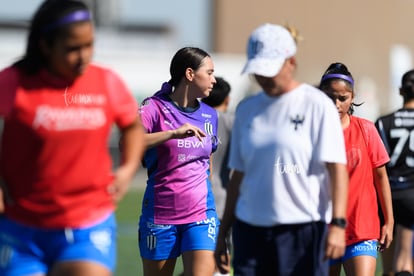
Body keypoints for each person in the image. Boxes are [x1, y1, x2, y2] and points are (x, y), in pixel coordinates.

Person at [0, 0, 145, 276]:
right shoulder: (13, 82)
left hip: (88, 225)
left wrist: (127, 170)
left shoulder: (106, 82)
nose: (84, 57)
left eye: (89, 45)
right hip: (21, 229)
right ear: (45, 45)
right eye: (72, 49)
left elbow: (133, 127)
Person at [214, 23, 349, 276]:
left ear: (291, 63)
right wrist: (223, 234)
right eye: (258, 71)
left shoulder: (317, 105)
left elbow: (336, 169)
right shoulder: (246, 109)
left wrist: (339, 225)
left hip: (302, 231)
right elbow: (238, 176)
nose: (263, 78)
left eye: (270, 70)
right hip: (249, 231)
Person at [138, 46, 219, 276]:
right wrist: (172, 134)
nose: (214, 80)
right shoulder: (152, 107)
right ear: (190, 74)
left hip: (202, 214)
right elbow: (129, 143)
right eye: (210, 73)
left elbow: (208, 162)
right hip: (161, 214)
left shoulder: (210, 115)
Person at [319, 62, 394, 275]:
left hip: (361, 229)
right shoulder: (312, 132)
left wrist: (389, 221)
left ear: (352, 97)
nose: (336, 104)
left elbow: (381, 177)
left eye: (342, 98)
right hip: (324, 229)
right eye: (330, 97)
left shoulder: (366, 130)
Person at [375, 69, 414, 276]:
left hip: (387, 197)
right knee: (405, 261)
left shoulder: (383, 122)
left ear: (401, 91)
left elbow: (377, 163)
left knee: (389, 267)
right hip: (412, 197)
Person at [201, 76, 234, 276]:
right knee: (220, 262)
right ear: (227, 100)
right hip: (224, 202)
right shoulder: (234, 123)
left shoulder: (198, 119)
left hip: (198, 199)